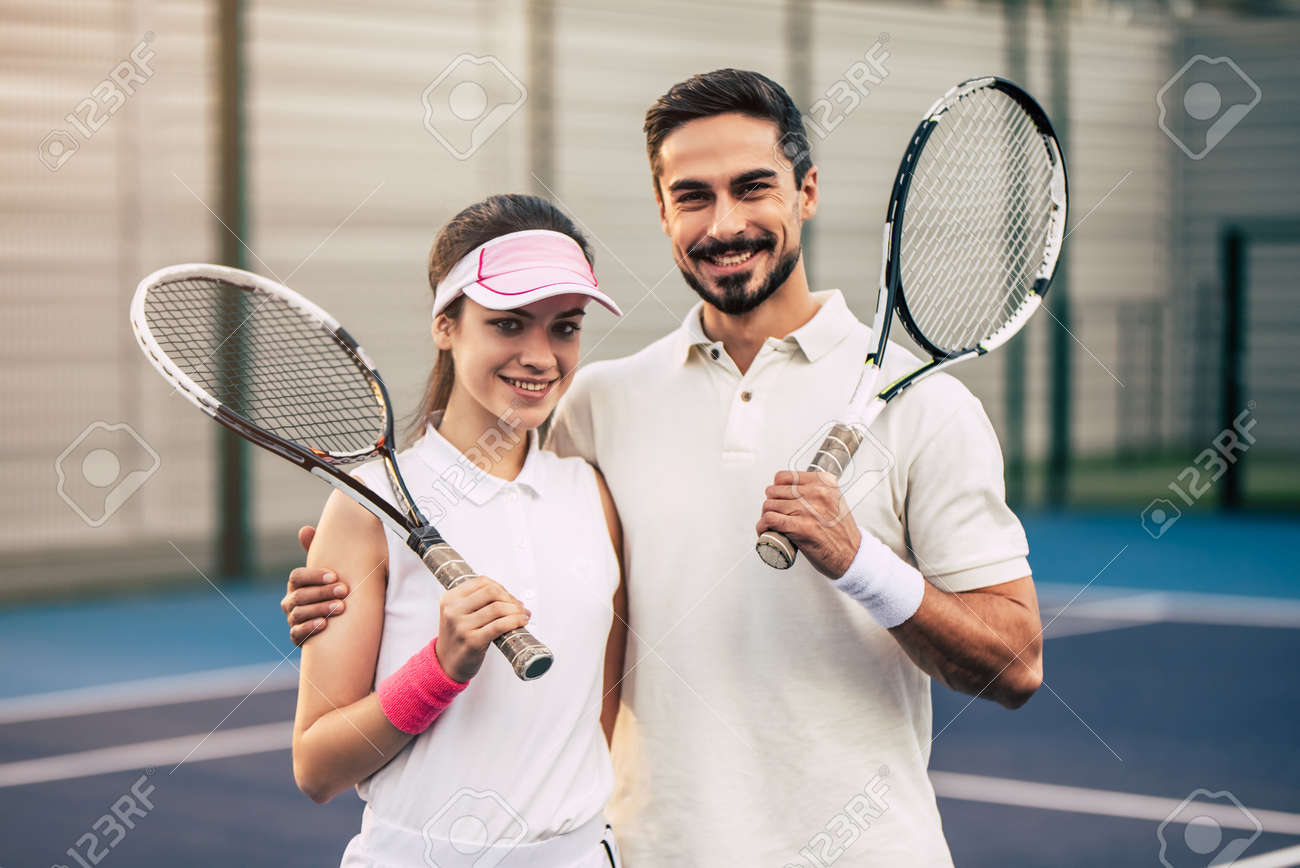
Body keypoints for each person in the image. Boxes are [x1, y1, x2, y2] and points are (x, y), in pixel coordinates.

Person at [286, 70, 1044, 866]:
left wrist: (862, 565)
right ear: (661, 210)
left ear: (807, 191)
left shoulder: (931, 408)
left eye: (753, 188)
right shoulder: (598, 407)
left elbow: (1016, 665)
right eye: (692, 196)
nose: (725, 224)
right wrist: (341, 580)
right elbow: (488, 512)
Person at [289, 193, 628, 867]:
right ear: (446, 324)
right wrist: (440, 669)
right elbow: (316, 768)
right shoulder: (366, 505)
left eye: (565, 327)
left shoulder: (592, 493)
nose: (540, 356)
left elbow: (602, 711)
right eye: (508, 324)